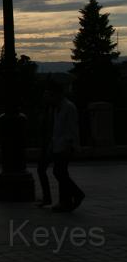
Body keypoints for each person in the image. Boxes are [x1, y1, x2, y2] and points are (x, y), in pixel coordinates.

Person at [48, 81, 85, 212]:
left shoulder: (68, 107)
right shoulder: (57, 108)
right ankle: (65, 201)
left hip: (65, 145)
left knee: (59, 172)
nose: (50, 97)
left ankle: (76, 194)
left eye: (52, 95)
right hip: (58, 144)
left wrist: (69, 144)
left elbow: (71, 128)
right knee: (61, 172)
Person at [36, 89, 54, 207]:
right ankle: (47, 197)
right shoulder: (49, 110)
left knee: (42, 170)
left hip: (50, 144)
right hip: (47, 144)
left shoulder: (51, 111)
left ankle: (47, 198)